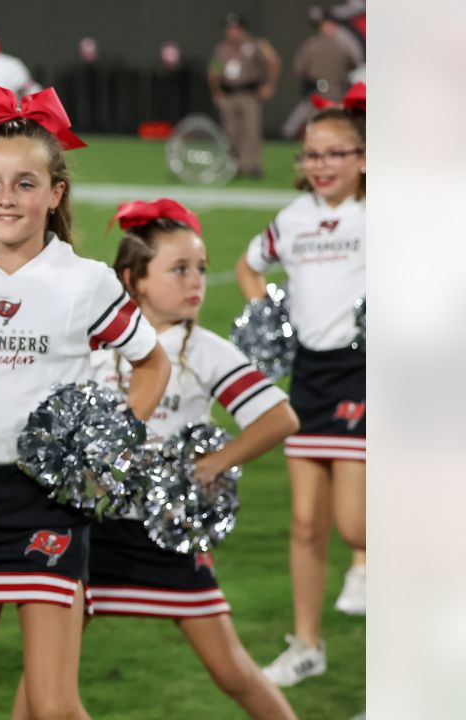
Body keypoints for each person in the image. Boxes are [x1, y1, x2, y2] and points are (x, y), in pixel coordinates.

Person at [0, 83, 170, 720]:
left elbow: (152, 362)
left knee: (54, 704)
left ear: (55, 193)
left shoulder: (82, 280)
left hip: (50, 503)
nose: (8, 198)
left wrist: (109, 442)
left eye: (26, 183)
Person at [84, 199, 300, 719]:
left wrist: (212, 464)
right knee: (48, 676)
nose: (195, 281)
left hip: (168, 534)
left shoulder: (205, 348)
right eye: (179, 269)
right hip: (94, 531)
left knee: (230, 669)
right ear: (132, 278)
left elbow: (279, 418)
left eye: (199, 268)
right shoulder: (94, 345)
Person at [234, 91, 366, 686]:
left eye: (336, 153)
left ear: (364, 158)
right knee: (307, 522)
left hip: (365, 371)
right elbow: (248, 265)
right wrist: (267, 317)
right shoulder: (292, 220)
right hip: (308, 375)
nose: (322, 164)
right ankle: (307, 644)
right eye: (313, 154)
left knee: (355, 525)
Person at [208, 14, 281, 179]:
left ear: (242, 30)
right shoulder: (222, 49)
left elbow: (274, 61)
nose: (232, 33)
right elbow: (214, 71)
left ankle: (253, 166)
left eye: (236, 29)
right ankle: (233, 166)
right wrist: (216, 92)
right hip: (229, 94)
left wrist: (270, 85)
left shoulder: (255, 45)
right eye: (230, 29)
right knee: (231, 131)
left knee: (251, 131)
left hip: (249, 94)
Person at [281, 7, 364, 139]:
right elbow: (299, 68)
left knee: (338, 130)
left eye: (331, 24)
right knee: (317, 128)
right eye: (325, 24)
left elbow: (354, 65)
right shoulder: (311, 45)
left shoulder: (344, 45)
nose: (329, 27)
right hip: (318, 93)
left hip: (339, 93)